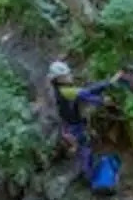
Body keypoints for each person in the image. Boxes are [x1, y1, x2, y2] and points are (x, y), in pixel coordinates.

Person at [47, 60, 124, 189]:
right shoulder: (66, 92)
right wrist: (102, 100)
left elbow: (86, 91)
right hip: (74, 127)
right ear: (59, 79)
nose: (70, 76)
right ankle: (90, 179)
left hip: (69, 125)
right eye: (66, 75)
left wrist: (108, 83)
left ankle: (87, 172)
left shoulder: (60, 90)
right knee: (85, 150)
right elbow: (86, 95)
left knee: (85, 149)